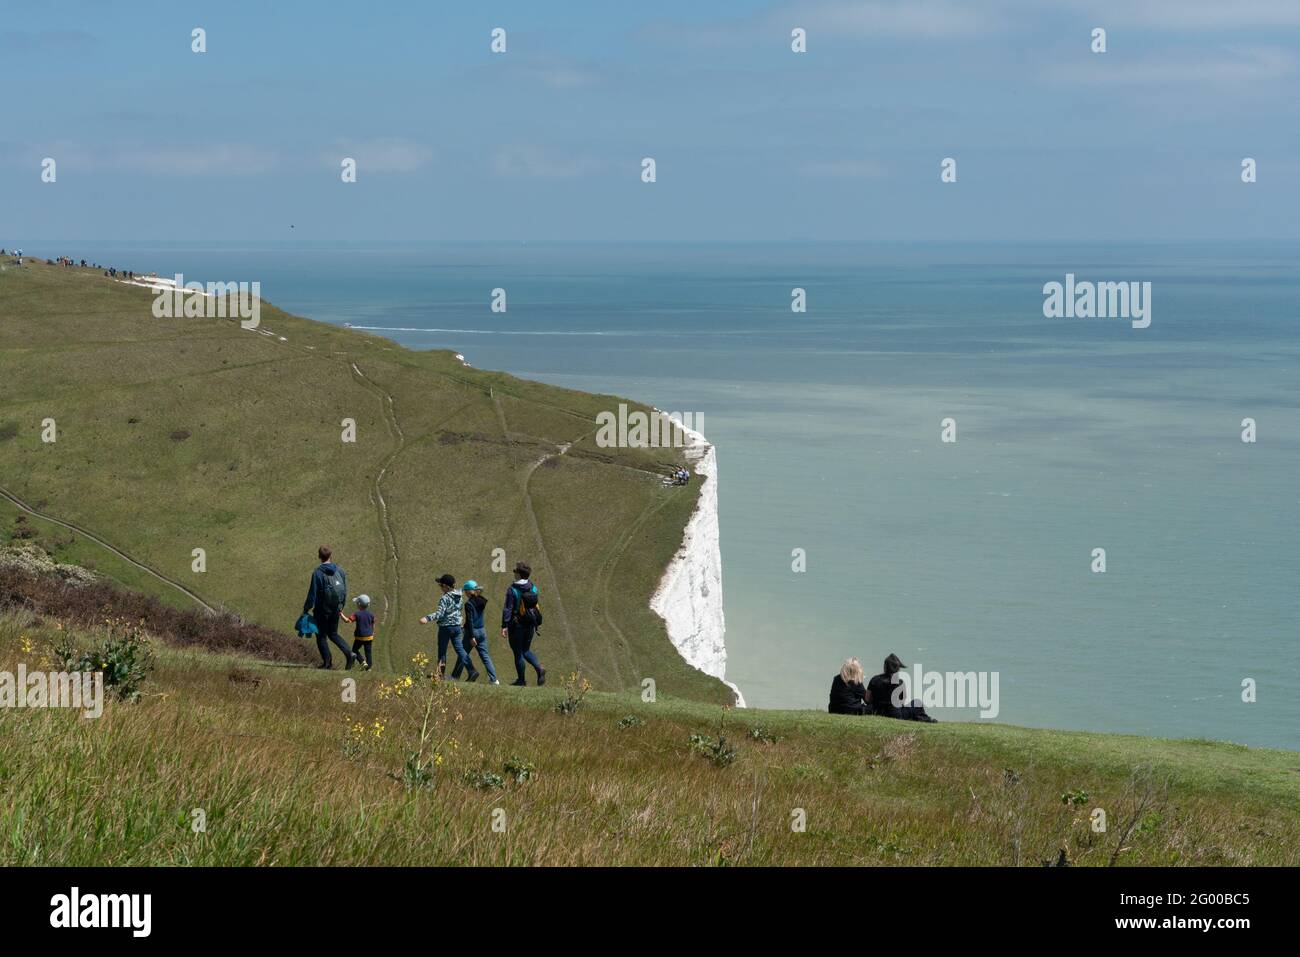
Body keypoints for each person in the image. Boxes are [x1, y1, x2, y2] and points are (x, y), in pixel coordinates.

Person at [302, 545, 361, 670]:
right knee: (333, 634)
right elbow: (344, 591)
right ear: (330, 555)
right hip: (336, 609)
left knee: (321, 636)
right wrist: (341, 607)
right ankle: (350, 654)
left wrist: (306, 608)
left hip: (321, 610)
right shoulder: (340, 571)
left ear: (319, 557)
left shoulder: (317, 573)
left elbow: (312, 593)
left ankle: (327, 663)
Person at [419, 574, 478, 681]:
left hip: (445, 628)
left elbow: (440, 614)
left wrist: (427, 618)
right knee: (460, 650)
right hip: (457, 627)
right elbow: (459, 609)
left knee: (442, 651)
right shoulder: (459, 596)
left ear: (446, 586)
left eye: (441, 585)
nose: (440, 588)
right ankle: (472, 671)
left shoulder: (444, 598)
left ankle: (440, 675)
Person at [502, 562, 546, 686]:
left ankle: (521, 680)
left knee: (518, 652)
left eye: (515, 571)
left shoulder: (512, 589)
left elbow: (508, 609)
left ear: (519, 574)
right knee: (525, 649)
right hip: (530, 623)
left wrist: (504, 625)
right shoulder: (533, 587)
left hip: (516, 625)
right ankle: (539, 669)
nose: (514, 572)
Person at [867, 653, 937, 722]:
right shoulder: (900, 683)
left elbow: (867, 698)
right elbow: (902, 702)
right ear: (897, 669)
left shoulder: (874, 679)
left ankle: (920, 718)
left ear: (885, 667)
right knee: (917, 702)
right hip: (896, 715)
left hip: (877, 712)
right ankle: (925, 719)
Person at [454, 580, 498, 684]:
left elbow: (470, 620)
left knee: (463, 654)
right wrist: (464, 626)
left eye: (465, 591)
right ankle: (494, 679)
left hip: (472, 632)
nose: (464, 593)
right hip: (482, 631)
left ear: (470, 591)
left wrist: (472, 636)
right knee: (485, 656)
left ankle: (455, 676)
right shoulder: (481, 600)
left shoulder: (468, 604)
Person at [340, 594, 376, 671]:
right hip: (369, 636)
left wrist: (340, 614)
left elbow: (347, 620)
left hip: (360, 637)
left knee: (354, 650)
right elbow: (373, 623)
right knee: (368, 652)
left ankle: (362, 662)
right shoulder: (371, 614)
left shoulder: (357, 614)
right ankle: (368, 668)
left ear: (359, 604)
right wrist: (373, 632)